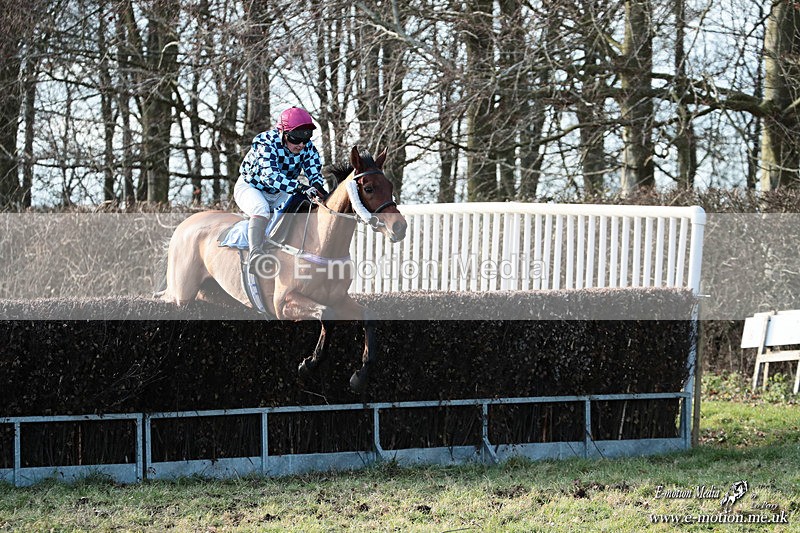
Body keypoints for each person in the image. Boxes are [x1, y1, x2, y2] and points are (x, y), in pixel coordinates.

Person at [234, 106, 326, 272]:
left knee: (301, 208)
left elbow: (314, 172)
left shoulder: (307, 148)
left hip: (280, 191)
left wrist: (318, 186)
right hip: (252, 187)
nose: (301, 145)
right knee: (261, 209)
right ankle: (255, 254)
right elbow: (270, 177)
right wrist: (299, 186)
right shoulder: (265, 143)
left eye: (305, 139)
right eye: (295, 138)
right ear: (283, 133)